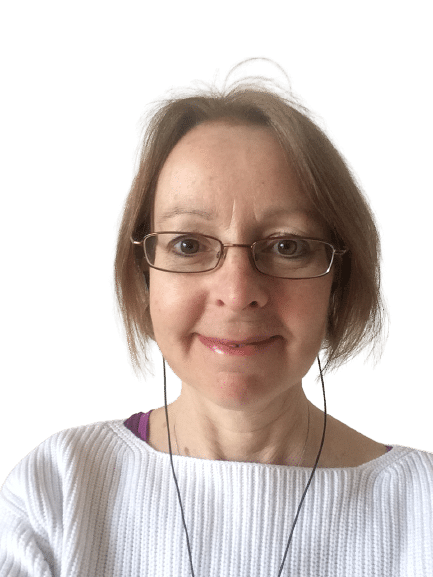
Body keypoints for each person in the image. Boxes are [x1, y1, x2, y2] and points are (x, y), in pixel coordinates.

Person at [0, 55, 432, 576]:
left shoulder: (421, 508)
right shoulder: (57, 490)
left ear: (339, 280)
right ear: (143, 274)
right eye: (188, 244)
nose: (237, 291)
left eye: (287, 245)